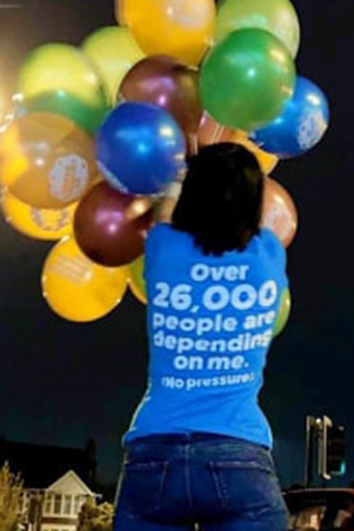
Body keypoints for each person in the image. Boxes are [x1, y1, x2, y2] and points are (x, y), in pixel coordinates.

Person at [113, 143, 290, 531]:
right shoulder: (269, 257)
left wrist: (178, 171)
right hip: (238, 451)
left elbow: (165, 209)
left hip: (154, 449)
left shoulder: (164, 248)